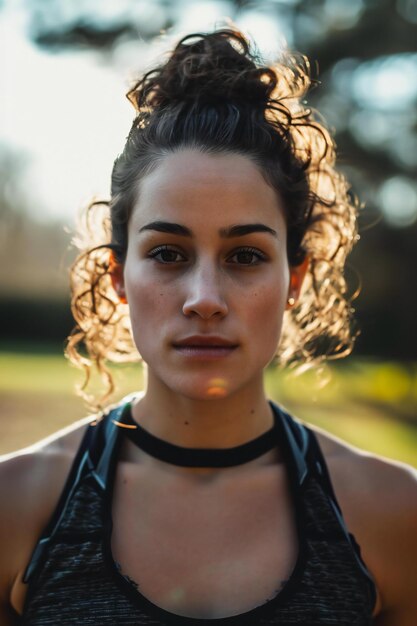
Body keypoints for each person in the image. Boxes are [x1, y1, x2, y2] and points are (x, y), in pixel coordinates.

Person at [1, 27, 416, 626]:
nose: (204, 299)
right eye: (168, 253)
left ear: (294, 278)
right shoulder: (16, 506)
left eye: (245, 256)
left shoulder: (392, 513)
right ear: (118, 276)